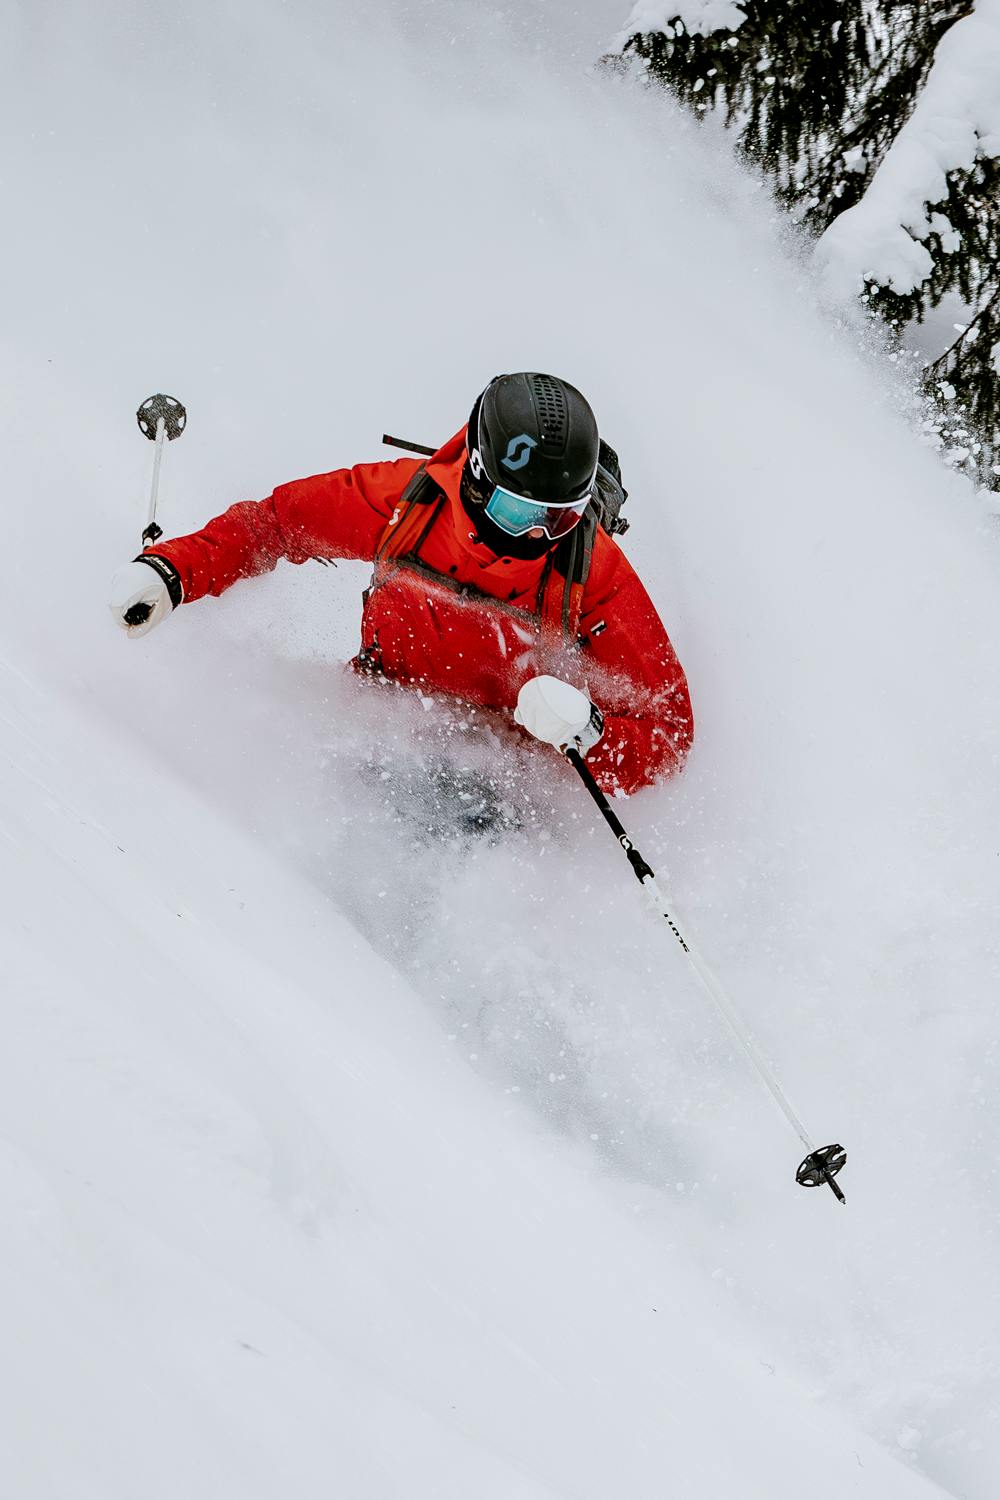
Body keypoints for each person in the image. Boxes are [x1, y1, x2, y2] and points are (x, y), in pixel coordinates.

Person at [109, 372, 693, 796]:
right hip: (377, 711)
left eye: (561, 517)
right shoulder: (408, 506)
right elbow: (275, 526)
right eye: (520, 513)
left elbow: (668, 731)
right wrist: (173, 571)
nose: (540, 534)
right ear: (477, 476)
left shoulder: (591, 575)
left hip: (499, 768)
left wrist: (588, 733)